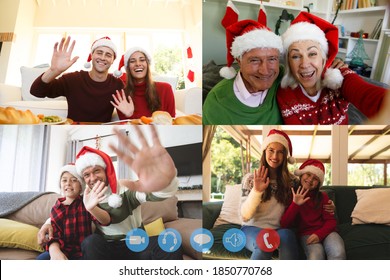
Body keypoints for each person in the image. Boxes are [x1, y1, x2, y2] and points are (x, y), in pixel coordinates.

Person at [38, 126, 183, 260]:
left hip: (136, 242)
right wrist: (47, 223)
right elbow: (66, 211)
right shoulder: (85, 198)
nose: (92, 178)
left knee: (171, 243)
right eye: (87, 175)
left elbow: (154, 195)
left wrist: (165, 183)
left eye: (96, 171)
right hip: (105, 247)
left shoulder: (125, 188)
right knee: (90, 242)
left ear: (106, 171)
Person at [277, 11, 387, 125]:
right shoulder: (284, 94)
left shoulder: (339, 76)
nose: (304, 64)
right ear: (288, 62)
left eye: (312, 54)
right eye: (295, 56)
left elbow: (368, 95)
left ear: (323, 58)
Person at [203, 1, 284, 125]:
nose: (265, 70)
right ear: (239, 61)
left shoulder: (284, 78)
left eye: (272, 59)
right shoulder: (217, 102)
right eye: (254, 60)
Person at [30, 36, 124, 122]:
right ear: (91, 55)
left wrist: (129, 114)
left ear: (112, 61)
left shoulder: (118, 85)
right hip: (73, 133)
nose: (103, 58)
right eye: (99, 53)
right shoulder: (73, 79)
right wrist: (53, 71)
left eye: (108, 55)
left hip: (101, 135)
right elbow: (36, 91)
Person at [36, 164, 110, 260]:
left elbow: (104, 221)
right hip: (64, 251)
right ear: (60, 185)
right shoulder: (56, 208)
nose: (68, 183)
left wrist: (92, 208)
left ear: (81, 186)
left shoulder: (86, 202)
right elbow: (55, 235)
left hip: (83, 251)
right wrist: (56, 251)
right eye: (64, 180)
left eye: (74, 180)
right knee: (41, 259)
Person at [280, 159, 346, 260]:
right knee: (316, 255)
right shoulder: (292, 194)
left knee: (338, 252)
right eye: (308, 174)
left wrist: (319, 234)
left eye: (315, 178)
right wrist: (295, 204)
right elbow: (284, 224)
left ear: (318, 184)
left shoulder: (323, 197)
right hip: (306, 234)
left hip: (328, 232)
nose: (310, 180)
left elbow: (331, 221)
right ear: (301, 174)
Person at [110, 47, 176, 119]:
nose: (138, 64)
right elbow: (128, 129)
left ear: (147, 64)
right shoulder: (121, 96)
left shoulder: (165, 89)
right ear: (128, 68)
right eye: (132, 61)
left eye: (142, 60)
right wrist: (129, 115)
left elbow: (172, 123)